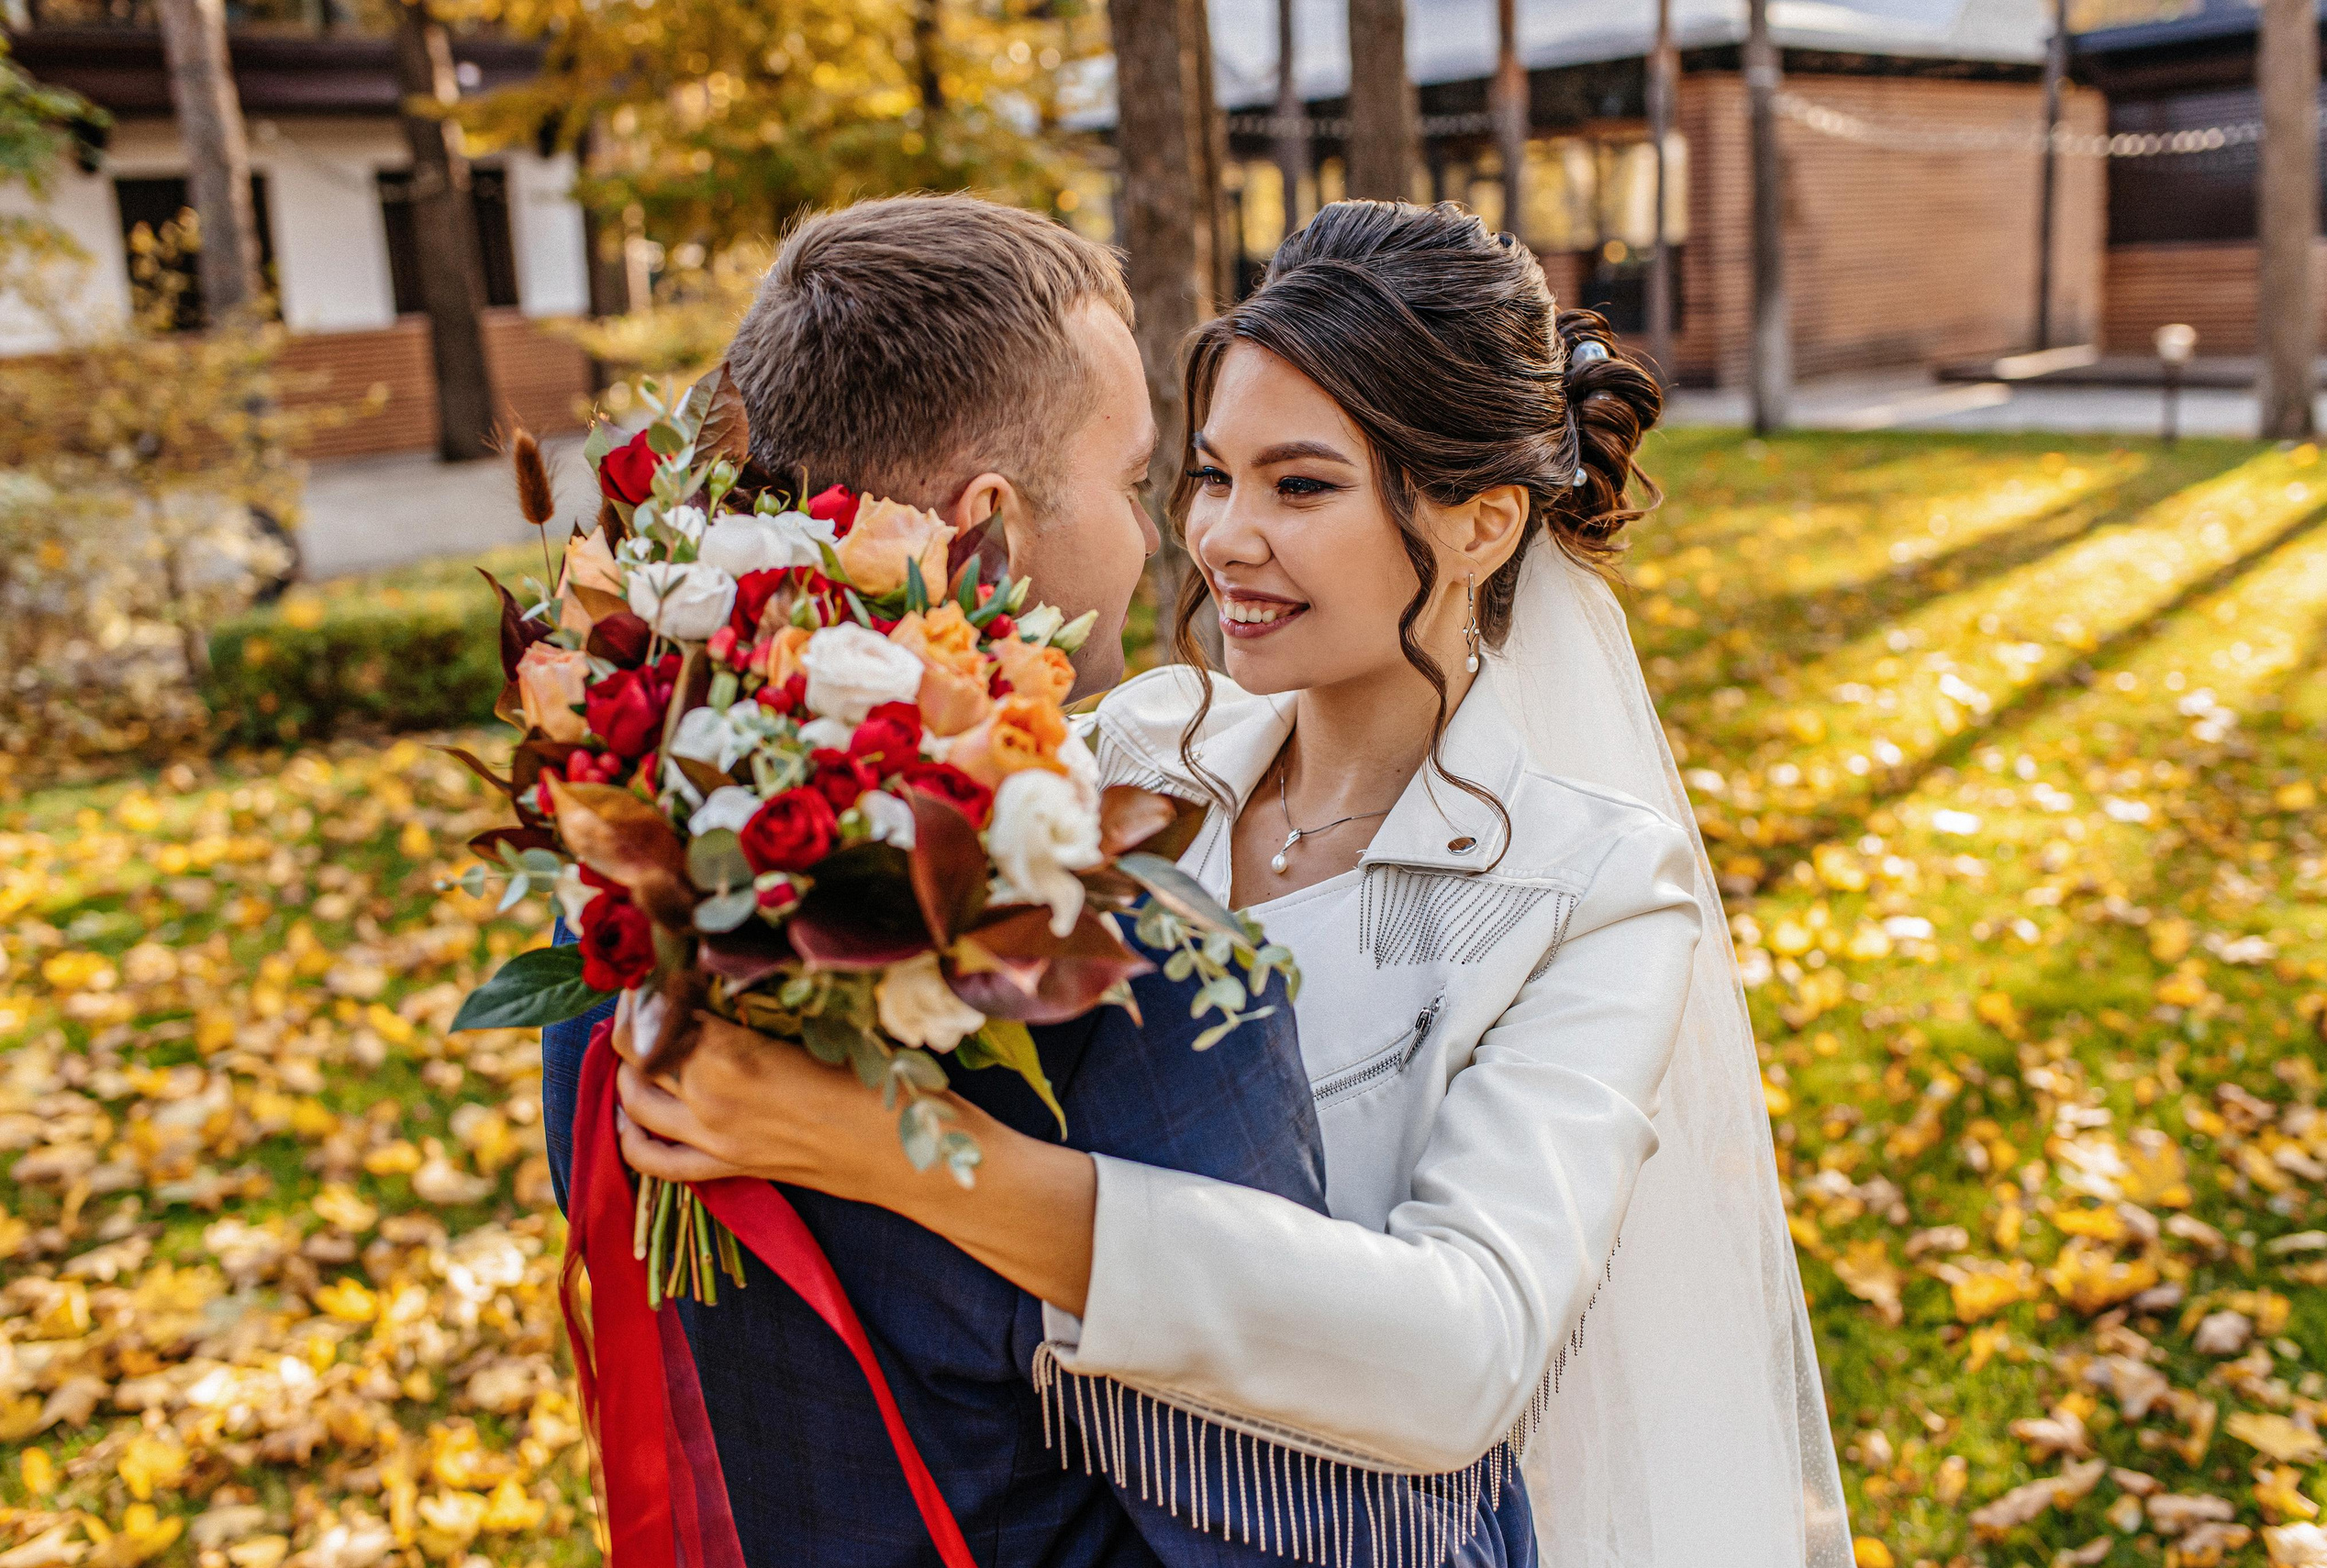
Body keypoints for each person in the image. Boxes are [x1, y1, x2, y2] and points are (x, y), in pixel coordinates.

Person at [619, 200, 1853, 1566]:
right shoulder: (1125, 743)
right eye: (1210, 474)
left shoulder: (1597, 889)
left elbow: (1468, 1348)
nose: (1222, 536)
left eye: (1301, 486)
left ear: (1485, 524)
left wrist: (907, 1161)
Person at [541, 194, 1330, 1567]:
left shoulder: (617, 888)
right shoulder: (1119, 965)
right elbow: (1277, 1506)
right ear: (987, 529)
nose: (1168, 539)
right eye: (1137, 481)